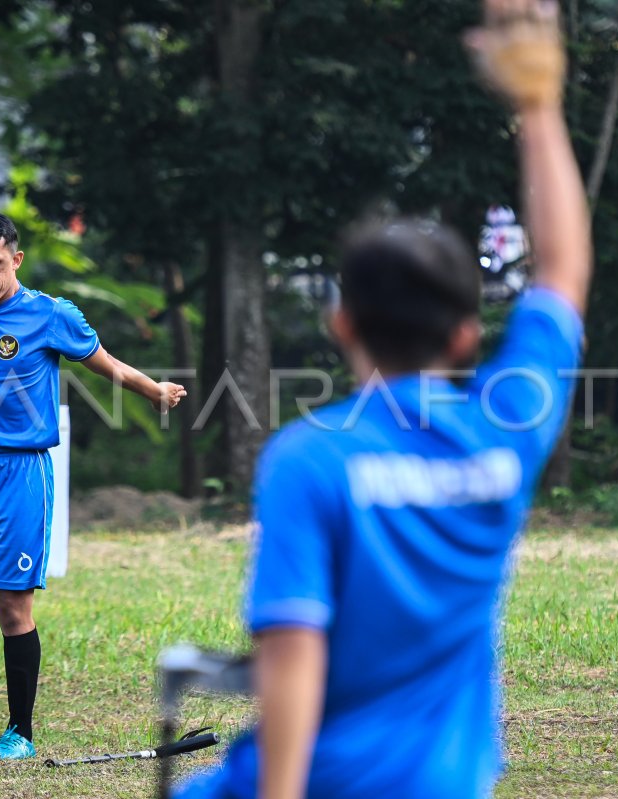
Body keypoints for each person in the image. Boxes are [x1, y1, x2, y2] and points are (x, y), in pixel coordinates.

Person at [175, 1, 590, 796]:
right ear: (468, 335)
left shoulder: (311, 457)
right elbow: (561, 275)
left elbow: (294, 653)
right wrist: (539, 107)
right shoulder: (506, 433)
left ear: (342, 323)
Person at [0, 89, 187, 760]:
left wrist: (152, 390)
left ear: (16, 259)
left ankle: (21, 733)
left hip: (22, 468)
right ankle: (16, 726)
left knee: (14, 604)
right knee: (1, 601)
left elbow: (101, 362)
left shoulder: (48, 314)